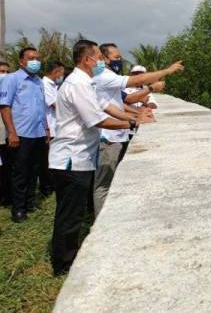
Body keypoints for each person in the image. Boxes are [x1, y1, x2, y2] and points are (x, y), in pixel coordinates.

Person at [49, 39, 154, 276]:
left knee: (73, 212)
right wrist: (132, 121)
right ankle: (63, 265)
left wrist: (135, 116)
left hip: (79, 157)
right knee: (69, 215)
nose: (102, 62)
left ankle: (67, 257)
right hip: (70, 159)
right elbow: (96, 119)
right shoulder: (78, 84)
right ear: (87, 60)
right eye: (98, 57)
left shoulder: (85, 83)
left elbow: (106, 107)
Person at [93, 43, 183, 215]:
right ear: (104, 59)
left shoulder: (109, 76)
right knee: (104, 184)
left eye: (120, 57)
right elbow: (133, 88)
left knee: (112, 180)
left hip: (118, 134)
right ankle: (99, 220)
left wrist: (137, 115)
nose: (119, 60)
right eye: (116, 57)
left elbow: (118, 105)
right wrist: (166, 72)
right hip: (108, 136)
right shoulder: (104, 76)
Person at [0, 48, 50, 223]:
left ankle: (30, 202)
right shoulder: (11, 79)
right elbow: (5, 107)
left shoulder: (38, 81)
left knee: (34, 170)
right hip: (21, 133)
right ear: (21, 61)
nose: (35, 61)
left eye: (37, 58)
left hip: (38, 133)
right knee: (20, 172)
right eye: (31, 58)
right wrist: (12, 132)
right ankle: (18, 209)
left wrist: (46, 130)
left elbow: (41, 108)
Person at [41, 61, 65, 197]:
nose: (62, 75)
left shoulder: (54, 85)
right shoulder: (45, 85)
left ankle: (51, 184)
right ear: (55, 72)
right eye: (61, 73)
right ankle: (47, 187)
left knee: (53, 158)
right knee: (47, 160)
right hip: (49, 127)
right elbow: (55, 105)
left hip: (56, 127)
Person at [0, 61, 11, 206]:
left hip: (7, 135)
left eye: (7, 72)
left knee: (7, 168)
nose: (4, 75)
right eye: (2, 71)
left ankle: (6, 196)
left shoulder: (9, 90)